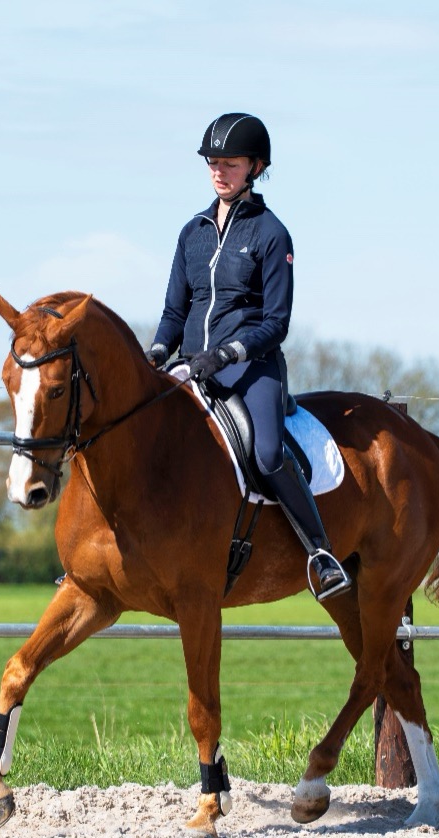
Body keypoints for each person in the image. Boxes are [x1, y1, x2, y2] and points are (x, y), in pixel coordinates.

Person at [147, 113, 350, 600]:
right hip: (192, 367)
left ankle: (321, 553)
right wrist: (155, 352)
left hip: (249, 369)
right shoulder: (191, 232)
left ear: (255, 167)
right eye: (213, 164)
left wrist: (228, 352)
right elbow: (175, 311)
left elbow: (276, 322)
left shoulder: (271, 234)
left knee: (266, 452)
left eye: (231, 164)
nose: (220, 172)